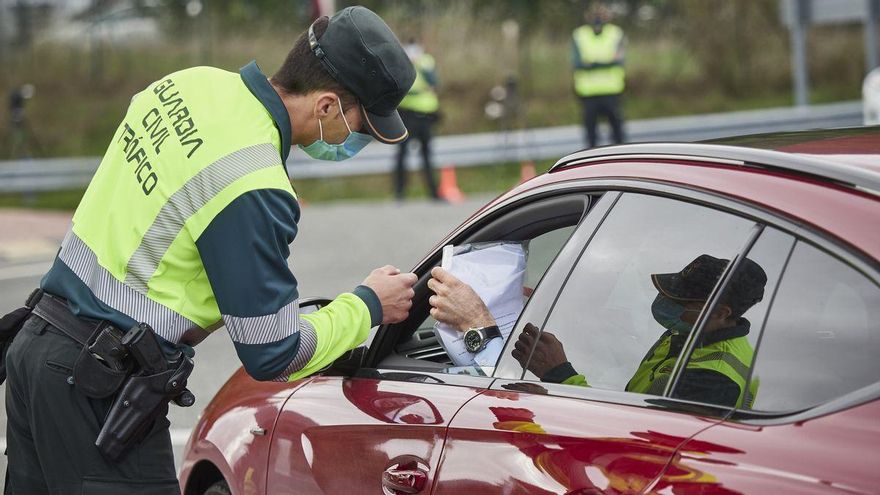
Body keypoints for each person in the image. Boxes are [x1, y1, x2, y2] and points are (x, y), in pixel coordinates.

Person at [3, 7, 417, 493]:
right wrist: (368, 305)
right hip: (98, 387)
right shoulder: (253, 181)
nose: (356, 141)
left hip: (35, 347)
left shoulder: (190, 85)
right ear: (326, 106)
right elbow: (274, 351)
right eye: (361, 128)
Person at [429, 254, 767, 409]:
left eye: (677, 299)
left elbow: (633, 439)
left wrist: (558, 373)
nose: (663, 302)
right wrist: (547, 302)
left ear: (721, 313)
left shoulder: (712, 379)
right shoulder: (693, 334)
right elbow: (619, 330)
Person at [572, 3, 626, 148]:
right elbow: (577, 63)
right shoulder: (579, 35)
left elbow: (619, 61)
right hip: (588, 93)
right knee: (591, 137)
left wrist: (591, 64)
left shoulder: (616, 33)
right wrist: (607, 62)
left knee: (618, 135)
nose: (598, 17)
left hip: (612, 92)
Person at [393, 39, 441, 201]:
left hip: (425, 114)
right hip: (406, 113)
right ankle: (399, 193)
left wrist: (418, 62)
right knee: (401, 154)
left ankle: (433, 192)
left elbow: (433, 80)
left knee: (427, 154)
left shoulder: (426, 60)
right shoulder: (399, 61)